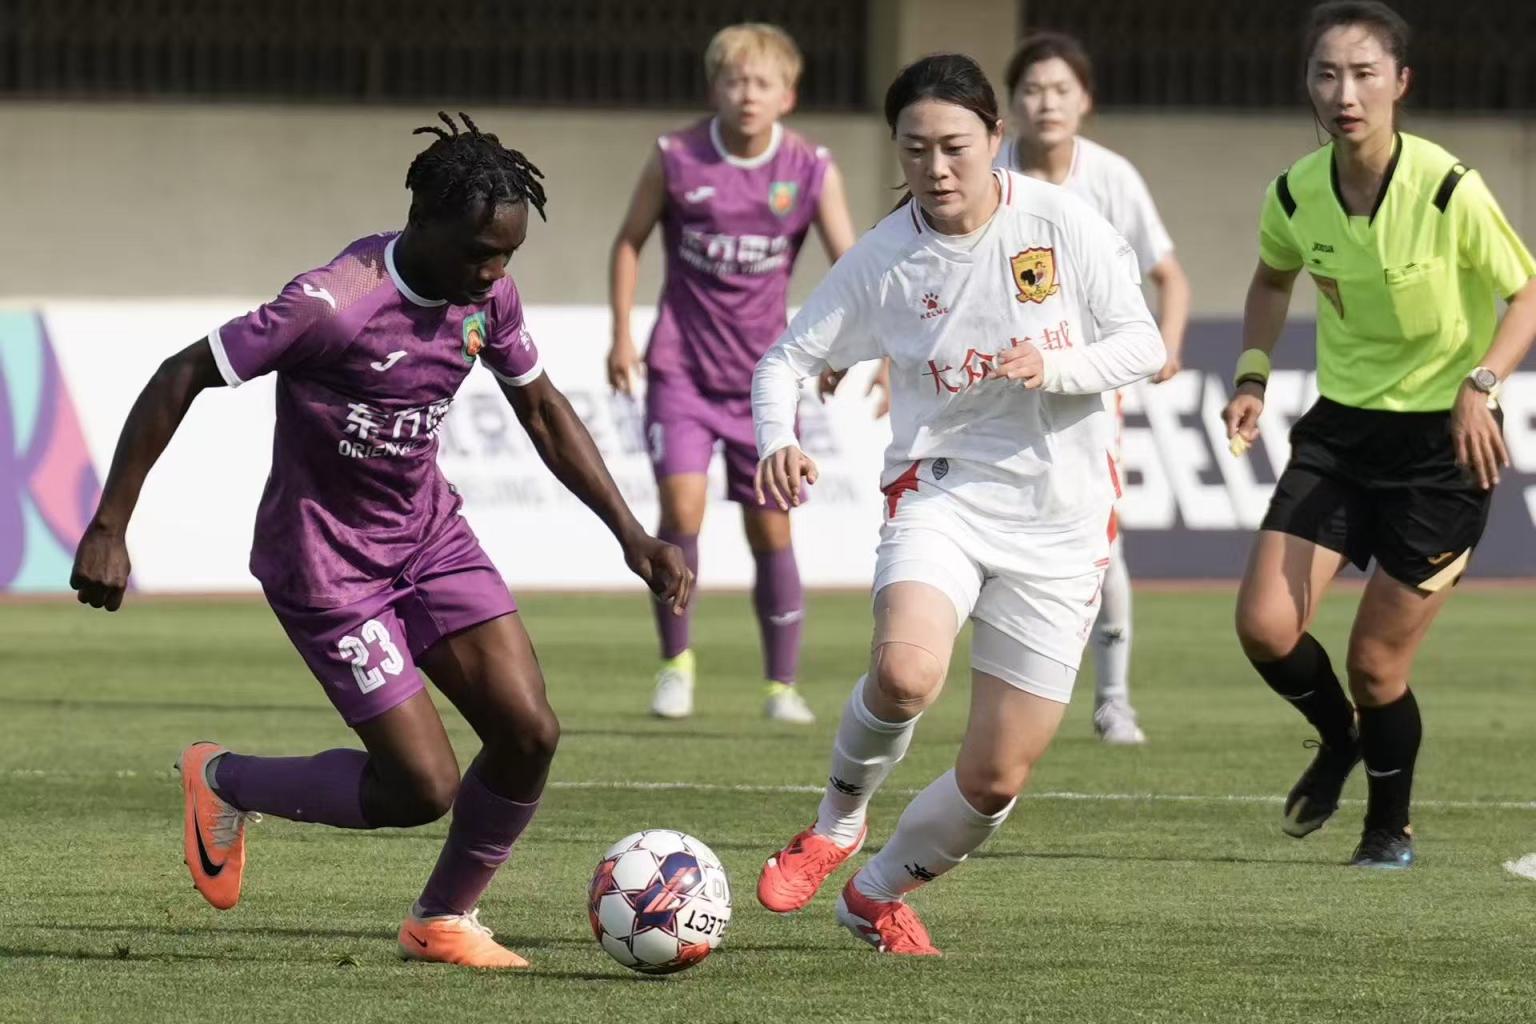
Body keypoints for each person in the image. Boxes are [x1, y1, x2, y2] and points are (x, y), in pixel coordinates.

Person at [68, 113, 691, 967]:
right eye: (480, 253)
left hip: (432, 541)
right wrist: (109, 525)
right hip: (328, 568)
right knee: (421, 787)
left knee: (529, 734)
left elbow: (543, 410)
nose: (494, 273)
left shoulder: (488, 299)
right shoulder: (331, 304)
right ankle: (223, 779)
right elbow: (182, 373)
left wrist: (632, 534)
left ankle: (442, 920)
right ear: (422, 220)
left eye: (508, 255)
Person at [751, 54, 1164, 954]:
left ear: (995, 139)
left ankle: (876, 893)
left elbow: (1143, 344)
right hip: (942, 493)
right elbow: (784, 359)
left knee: (996, 775)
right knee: (906, 673)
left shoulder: (1060, 222)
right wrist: (778, 438)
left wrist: (1056, 366)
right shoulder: (884, 259)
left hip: (1061, 523)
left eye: (954, 147)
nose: (935, 168)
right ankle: (835, 824)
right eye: (914, 149)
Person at [1223, 1, 1536, 869]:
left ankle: (1388, 827)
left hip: (1444, 450)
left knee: (1375, 664)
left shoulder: (1447, 187)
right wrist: (1251, 373)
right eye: (1327, 74)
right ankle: (1341, 741)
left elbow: (1526, 293)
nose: (1345, 93)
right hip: (1341, 434)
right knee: (1264, 627)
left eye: (1364, 74)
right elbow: (1271, 279)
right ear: (1309, 86)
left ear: (1400, 83)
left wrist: (1482, 382)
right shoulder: (1295, 192)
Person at [607, 22, 860, 724]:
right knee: (681, 512)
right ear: (714, 88)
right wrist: (621, 333)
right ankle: (675, 667)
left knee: (771, 531)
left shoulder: (810, 168)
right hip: (680, 370)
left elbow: (853, 267)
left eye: (762, 83)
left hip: (765, 382)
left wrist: (846, 347)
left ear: (787, 95)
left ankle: (782, 686)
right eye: (735, 80)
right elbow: (628, 242)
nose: (748, 94)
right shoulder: (675, 157)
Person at [996, 31, 1193, 745]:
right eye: (1031, 89)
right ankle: (1001, 700)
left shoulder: (1111, 177)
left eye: (1060, 89)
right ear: (1011, 103)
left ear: (1085, 100)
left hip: (1087, 389)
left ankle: (1113, 700)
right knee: (992, 547)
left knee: (1099, 545)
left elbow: (1170, 276)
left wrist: (1166, 345)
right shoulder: (987, 170)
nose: (1046, 102)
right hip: (995, 387)